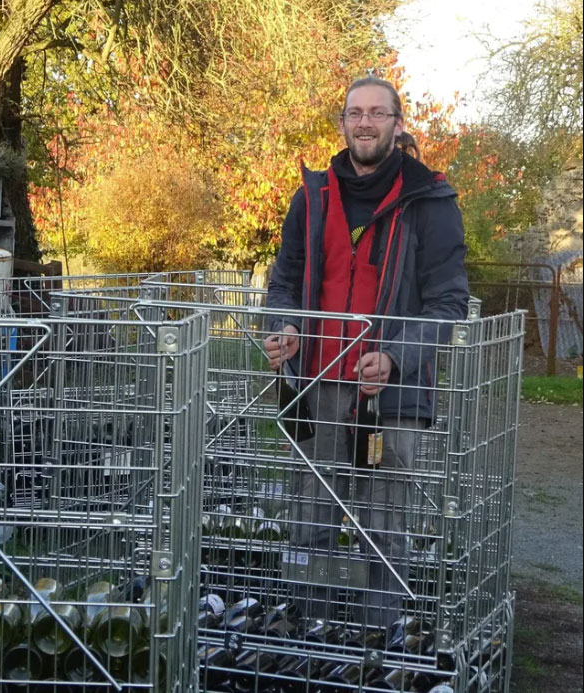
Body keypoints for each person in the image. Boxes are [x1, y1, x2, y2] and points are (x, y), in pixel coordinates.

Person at [263, 75, 469, 628]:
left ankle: (380, 647)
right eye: (356, 113)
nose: (365, 123)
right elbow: (281, 282)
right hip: (316, 385)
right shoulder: (312, 196)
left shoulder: (431, 199)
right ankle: (307, 637)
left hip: (392, 394)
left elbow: (450, 304)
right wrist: (282, 325)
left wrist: (396, 356)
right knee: (308, 519)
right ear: (342, 123)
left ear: (398, 125)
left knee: (382, 525)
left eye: (378, 114)